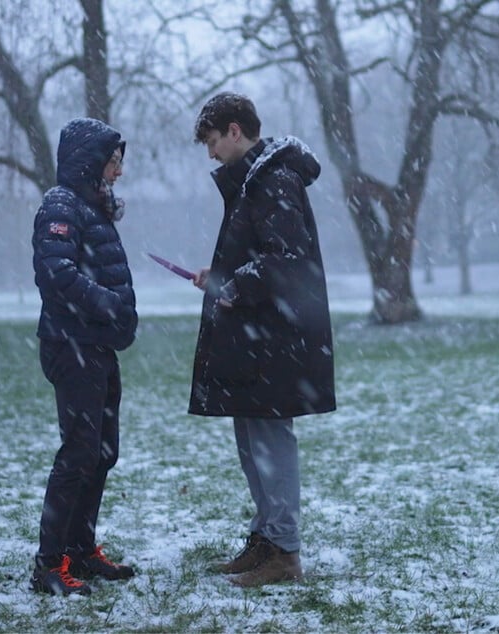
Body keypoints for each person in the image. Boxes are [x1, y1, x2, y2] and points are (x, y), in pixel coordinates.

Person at [189, 93, 336, 587]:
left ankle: (284, 553)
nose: (211, 153)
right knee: (253, 443)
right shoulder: (254, 180)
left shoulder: (274, 179)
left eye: (212, 141)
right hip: (257, 339)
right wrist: (223, 277)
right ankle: (266, 539)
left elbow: (286, 259)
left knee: (271, 443)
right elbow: (262, 256)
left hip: (276, 340)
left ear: (235, 131)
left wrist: (237, 284)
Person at [29, 118, 138, 596]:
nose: (118, 171)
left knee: (102, 453)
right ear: (89, 161)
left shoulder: (91, 207)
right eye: (112, 162)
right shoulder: (61, 205)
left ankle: (80, 551)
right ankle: (49, 564)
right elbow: (56, 273)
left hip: (97, 346)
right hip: (71, 346)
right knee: (78, 454)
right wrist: (109, 305)